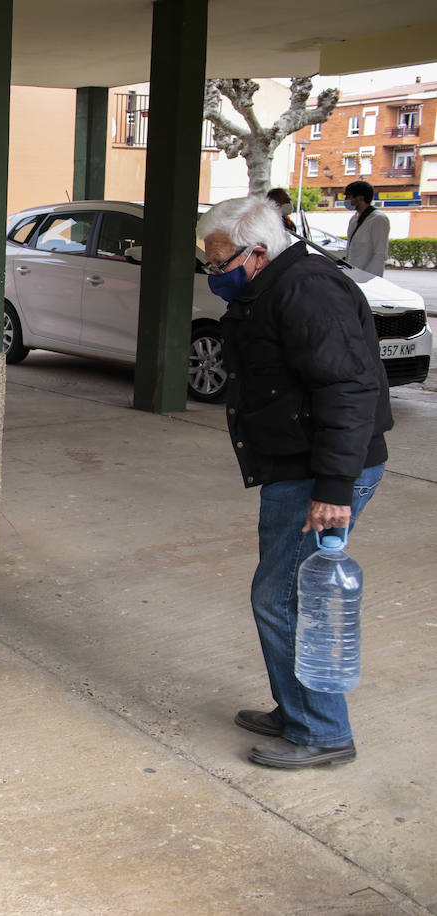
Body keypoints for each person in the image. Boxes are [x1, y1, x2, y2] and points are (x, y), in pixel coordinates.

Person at [197, 196, 391, 769]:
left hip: (321, 471)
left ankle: (322, 731)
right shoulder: (273, 285)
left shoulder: (307, 290)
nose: (213, 274)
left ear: (256, 253)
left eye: (218, 262)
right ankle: (297, 707)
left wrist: (334, 488)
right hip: (296, 466)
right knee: (284, 594)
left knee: (282, 600)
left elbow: (349, 389)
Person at [342, 180, 390, 276]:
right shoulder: (354, 218)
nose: (346, 200)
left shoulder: (378, 219)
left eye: (348, 197)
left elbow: (380, 254)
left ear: (360, 198)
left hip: (367, 276)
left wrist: (367, 278)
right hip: (353, 274)